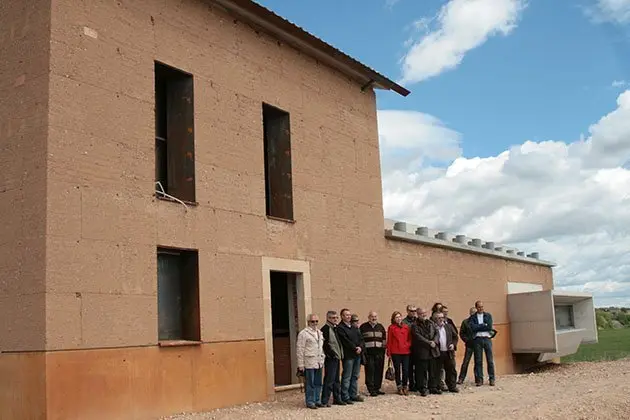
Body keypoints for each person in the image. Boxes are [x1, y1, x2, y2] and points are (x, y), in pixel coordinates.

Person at [296, 313, 326, 409]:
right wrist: (301, 364)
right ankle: (310, 401)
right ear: (308, 322)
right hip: (308, 362)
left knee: (318, 382)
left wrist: (323, 356)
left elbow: (321, 347)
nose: (315, 323)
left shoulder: (319, 332)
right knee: (310, 383)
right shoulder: (303, 333)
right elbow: (300, 349)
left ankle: (317, 400)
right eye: (312, 321)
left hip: (318, 361)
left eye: (316, 321)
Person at [337, 309, 365, 404]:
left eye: (349, 315)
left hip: (357, 355)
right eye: (346, 315)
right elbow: (345, 341)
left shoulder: (354, 327)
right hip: (348, 355)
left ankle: (353, 394)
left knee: (355, 376)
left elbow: (361, 338)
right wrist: (355, 348)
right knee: (347, 376)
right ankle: (345, 396)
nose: (348, 316)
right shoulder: (340, 328)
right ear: (342, 316)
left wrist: (360, 347)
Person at [411, 307, 439, 396]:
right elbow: (418, 337)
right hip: (422, 351)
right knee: (421, 371)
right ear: (418, 315)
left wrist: (434, 341)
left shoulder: (431, 323)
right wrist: (429, 343)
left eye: (424, 313)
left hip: (432, 351)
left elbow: (437, 333)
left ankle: (433, 387)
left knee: (433, 370)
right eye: (421, 313)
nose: (423, 315)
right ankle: (422, 388)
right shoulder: (415, 325)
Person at [359, 311, 387, 396]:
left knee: (379, 370)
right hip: (369, 353)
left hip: (379, 353)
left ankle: (377, 388)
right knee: (370, 370)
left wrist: (383, 349)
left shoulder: (380, 327)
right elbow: (361, 340)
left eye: (375, 316)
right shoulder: (363, 327)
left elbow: (384, 339)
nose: (374, 318)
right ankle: (371, 389)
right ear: (369, 317)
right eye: (372, 316)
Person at [469, 300, 496, 386]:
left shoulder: (488, 316)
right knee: (478, 360)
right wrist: (483, 325)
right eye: (479, 307)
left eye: (482, 307)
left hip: (487, 338)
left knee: (490, 360)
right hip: (477, 339)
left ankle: (492, 378)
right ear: (476, 308)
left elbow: (489, 327)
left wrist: (480, 326)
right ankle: (480, 379)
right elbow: (473, 328)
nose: (481, 308)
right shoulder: (473, 317)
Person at [321, 310, 344, 406]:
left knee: (336, 380)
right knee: (329, 379)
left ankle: (337, 398)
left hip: (337, 357)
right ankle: (325, 400)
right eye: (333, 318)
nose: (336, 319)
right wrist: (331, 354)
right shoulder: (325, 329)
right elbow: (325, 345)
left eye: (336, 317)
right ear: (328, 318)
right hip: (331, 358)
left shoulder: (335, 328)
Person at [432, 312, 459, 393]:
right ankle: (437, 387)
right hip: (438, 352)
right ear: (435, 319)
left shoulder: (448, 326)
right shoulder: (433, 327)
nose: (440, 319)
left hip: (448, 352)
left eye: (442, 317)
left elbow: (455, 337)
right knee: (437, 370)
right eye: (438, 318)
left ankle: (452, 386)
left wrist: (453, 345)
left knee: (451, 369)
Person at [386, 311, 412, 395]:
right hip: (395, 352)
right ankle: (399, 386)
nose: (398, 319)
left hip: (405, 351)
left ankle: (405, 386)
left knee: (405, 370)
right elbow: (389, 340)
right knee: (397, 370)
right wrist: (389, 352)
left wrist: (407, 345)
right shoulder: (391, 328)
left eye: (399, 317)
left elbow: (409, 338)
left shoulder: (406, 327)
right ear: (393, 319)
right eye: (396, 317)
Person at [457, 307, 477, 384]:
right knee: (465, 362)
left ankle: (478, 378)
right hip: (469, 345)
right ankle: (461, 378)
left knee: (478, 362)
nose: (474, 314)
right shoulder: (465, 322)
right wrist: (467, 340)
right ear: (470, 313)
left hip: (478, 345)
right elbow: (462, 333)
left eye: (475, 313)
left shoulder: (479, 322)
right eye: (473, 312)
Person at [402, 304, 418, 392]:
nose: (413, 313)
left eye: (415, 311)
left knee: (418, 367)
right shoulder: (404, 322)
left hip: (418, 347)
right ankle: (411, 384)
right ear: (407, 311)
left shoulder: (418, 321)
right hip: (408, 347)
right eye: (411, 311)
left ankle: (419, 383)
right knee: (409, 367)